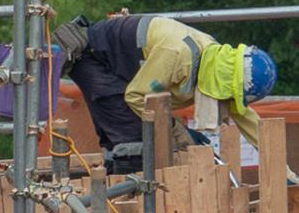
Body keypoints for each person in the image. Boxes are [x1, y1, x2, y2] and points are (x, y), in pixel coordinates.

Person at [62, 12, 277, 165]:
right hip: (92, 58)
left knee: (136, 139)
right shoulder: (178, 54)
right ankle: (127, 208)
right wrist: (179, 131)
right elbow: (138, 97)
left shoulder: (218, 64)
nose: (226, 102)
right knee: (134, 143)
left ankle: (118, 186)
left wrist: (285, 173)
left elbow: (251, 124)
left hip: (122, 68)